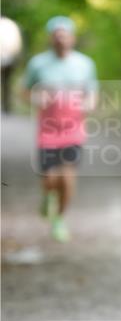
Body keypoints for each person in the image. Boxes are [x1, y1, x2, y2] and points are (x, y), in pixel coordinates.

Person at [23, 16, 98, 242]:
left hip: (74, 128)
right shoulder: (38, 64)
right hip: (48, 129)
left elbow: (92, 91)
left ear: (72, 38)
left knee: (67, 177)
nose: (61, 40)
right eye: (57, 36)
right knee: (49, 179)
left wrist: (89, 103)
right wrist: (36, 97)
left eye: (65, 35)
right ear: (51, 38)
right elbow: (25, 90)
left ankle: (60, 219)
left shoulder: (85, 64)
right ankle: (48, 196)